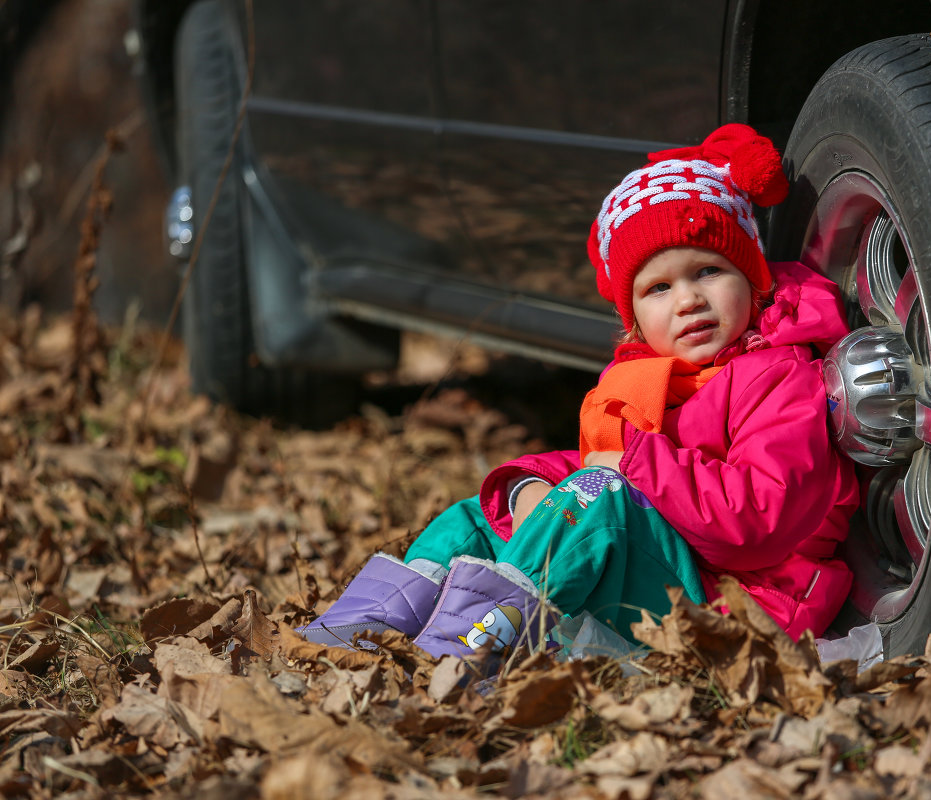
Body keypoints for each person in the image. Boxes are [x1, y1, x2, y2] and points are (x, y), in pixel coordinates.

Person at [297, 124, 860, 663]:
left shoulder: (779, 376)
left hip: (744, 599)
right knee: (478, 520)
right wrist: (536, 486)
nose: (687, 299)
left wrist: (632, 468)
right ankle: (367, 628)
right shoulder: (646, 382)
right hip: (671, 566)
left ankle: (471, 649)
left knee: (600, 498)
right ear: (635, 318)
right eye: (659, 288)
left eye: (709, 271)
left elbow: (759, 520)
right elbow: (602, 466)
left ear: (754, 279)